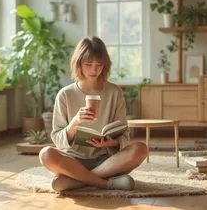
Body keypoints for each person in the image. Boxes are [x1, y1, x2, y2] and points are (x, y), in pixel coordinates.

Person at [39, 36, 148, 192]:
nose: (93, 69)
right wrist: (75, 122)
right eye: (88, 64)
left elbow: (124, 134)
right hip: (73, 160)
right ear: (78, 64)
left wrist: (111, 143)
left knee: (140, 148)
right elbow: (57, 138)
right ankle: (105, 183)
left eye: (99, 65)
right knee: (46, 154)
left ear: (105, 66)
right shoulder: (65, 94)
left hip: (106, 161)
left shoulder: (114, 92)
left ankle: (79, 180)